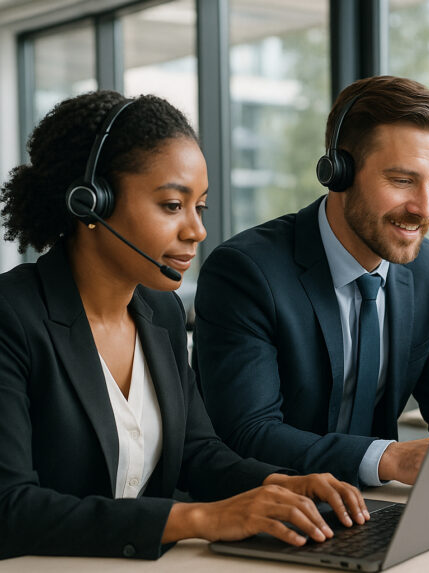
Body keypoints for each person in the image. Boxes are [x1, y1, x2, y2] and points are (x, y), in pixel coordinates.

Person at [0, 91, 369, 560]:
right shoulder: (12, 317)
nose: (197, 230)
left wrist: (279, 484)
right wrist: (199, 518)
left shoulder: (162, 314)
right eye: (173, 205)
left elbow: (198, 454)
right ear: (91, 202)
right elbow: (10, 507)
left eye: (201, 207)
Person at [193, 76, 429, 487]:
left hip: (377, 509)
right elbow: (247, 434)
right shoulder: (247, 271)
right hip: (273, 510)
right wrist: (390, 458)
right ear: (338, 172)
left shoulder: (425, 268)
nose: (425, 208)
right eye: (401, 181)